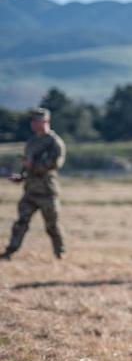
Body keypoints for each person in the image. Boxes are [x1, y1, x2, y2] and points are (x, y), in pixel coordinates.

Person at [1, 107, 67, 261]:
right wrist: (20, 176)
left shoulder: (54, 142)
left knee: (52, 225)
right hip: (30, 190)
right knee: (20, 223)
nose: (35, 124)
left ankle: (60, 252)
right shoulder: (32, 142)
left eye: (38, 121)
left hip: (46, 191)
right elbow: (26, 166)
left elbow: (55, 164)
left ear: (46, 121)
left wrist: (34, 165)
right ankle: (10, 251)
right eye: (33, 121)